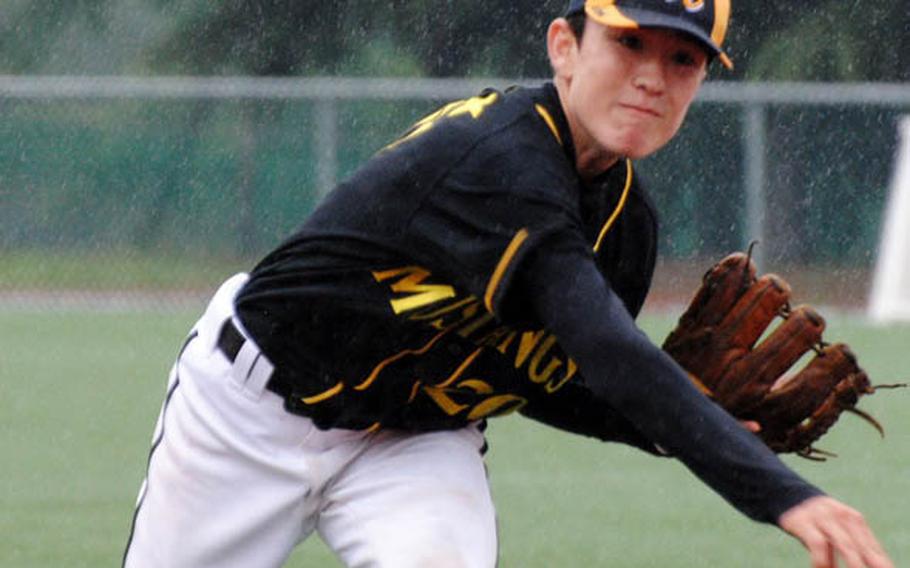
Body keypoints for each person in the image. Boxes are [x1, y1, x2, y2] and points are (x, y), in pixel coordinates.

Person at [123, 1, 894, 567]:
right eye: (628, 43)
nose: (652, 78)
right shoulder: (500, 160)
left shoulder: (627, 226)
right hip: (251, 415)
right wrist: (781, 491)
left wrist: (666, 421)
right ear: (565, 46)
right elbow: (609, 349)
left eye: (682, 60)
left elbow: (559, 376)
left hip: (416, 442)